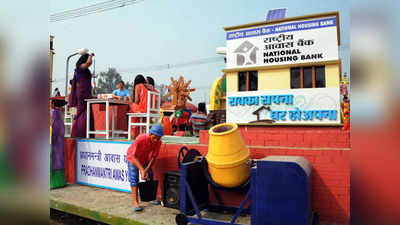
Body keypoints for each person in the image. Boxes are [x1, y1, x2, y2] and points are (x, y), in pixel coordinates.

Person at [126, 124, 164, 211]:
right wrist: (142, 170)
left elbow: (154, 157)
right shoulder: (141, 138)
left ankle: (150, 197)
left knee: (150, 175)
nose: (156, 140)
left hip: (144, 159)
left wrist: (146, 170)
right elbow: (133, 156)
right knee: (134, 178)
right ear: (150, 134)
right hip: (132, 159)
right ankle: (135, 202)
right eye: (155, 137)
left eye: (159, 138)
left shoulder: (158, 142)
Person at [68, 52, 95, 138]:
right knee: (81, 117)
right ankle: (78, 135)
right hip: (82, 96)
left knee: (87, 116)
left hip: (86, 96)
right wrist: (90, 55)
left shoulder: (84, 70)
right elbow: (89, 63)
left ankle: (87, 135)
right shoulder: (80, 68)